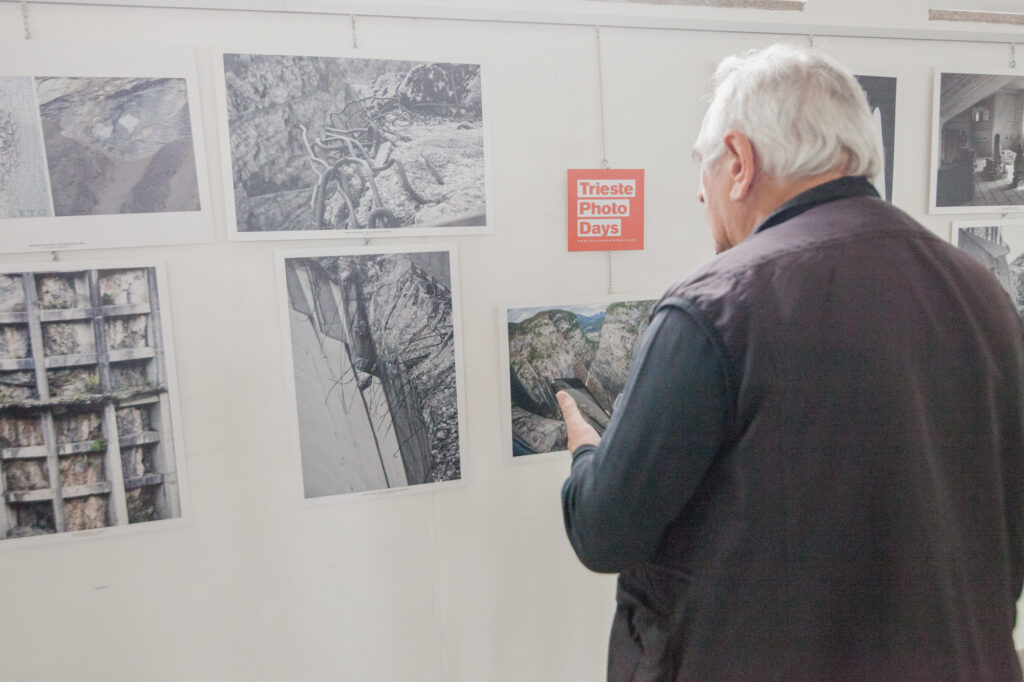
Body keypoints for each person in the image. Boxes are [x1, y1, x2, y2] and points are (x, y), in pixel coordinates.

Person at [559, 43, 1024, 681]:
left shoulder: (714, 308)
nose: (701, 193)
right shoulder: (986, 297)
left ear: (741, 164)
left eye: (705, 164)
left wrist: (588, 451)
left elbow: (604, 530)